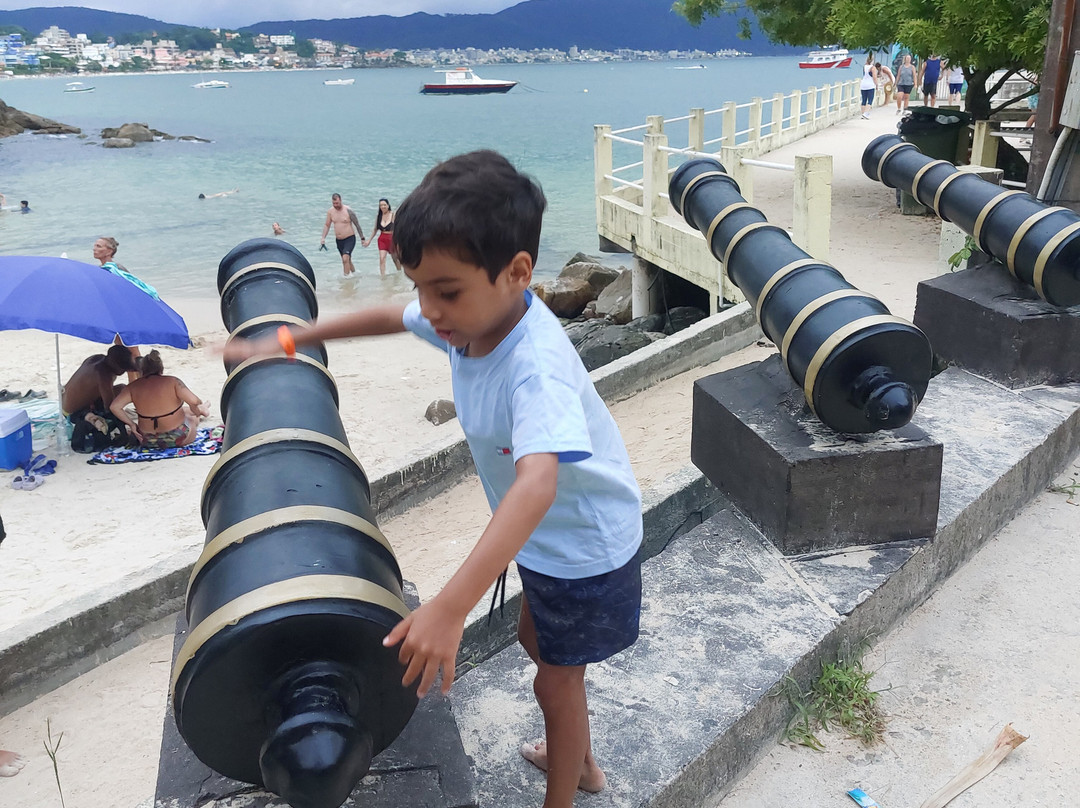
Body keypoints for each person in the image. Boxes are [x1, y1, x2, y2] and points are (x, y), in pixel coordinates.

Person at [225, 150, 643, 807]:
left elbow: (537, 484)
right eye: (420, 285)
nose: (430, 308)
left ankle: (571, 787)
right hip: (541, 540)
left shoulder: (535, 365)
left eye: (444, 291)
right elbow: (391, 316)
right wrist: (290, 339)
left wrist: (451, 606)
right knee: (541, 646)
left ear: (517, 272)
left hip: (583, 545)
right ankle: (580, 757)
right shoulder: (467, 321)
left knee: (555, 683)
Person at [109, 350, 210, 449]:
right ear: (161, 368)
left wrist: (131, 424)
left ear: (142, 370)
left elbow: (114, 407)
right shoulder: (173, 381)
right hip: (177, 437)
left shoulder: (132, 387)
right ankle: (202, 410)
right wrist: (196, 410)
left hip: (146, 439)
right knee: (191, 418)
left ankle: (202, 408)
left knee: (179, 410)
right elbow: (194, 401)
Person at [93, 236, 151, 382]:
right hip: (112, 315)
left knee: (132, 349)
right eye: (95, 246)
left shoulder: (116, 269)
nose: (94, 249)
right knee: (122, 350)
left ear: (109, 251)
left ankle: (144, 381)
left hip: (124, 314)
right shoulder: (99, 270)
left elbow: (131, 289)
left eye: (99, 246)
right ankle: (134, 384)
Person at [62, 344, 137, 451]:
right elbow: (111, 408)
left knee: (121, 388)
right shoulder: (103, 374)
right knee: (121, 392)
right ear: (116, 365)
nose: (123, 372)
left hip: (64, 403)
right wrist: (125, 432)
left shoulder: (97, 358)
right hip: (74, 413)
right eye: (123, 369)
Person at [320, 193, 365, 276]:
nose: (335, 205)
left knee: (345, 259)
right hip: (339, 240)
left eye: (337, 203)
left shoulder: (348, 210)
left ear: (340, 200)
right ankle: (355, 274)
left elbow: (357, 224)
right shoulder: (330, 211)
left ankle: (346, 279)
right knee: (347, 260)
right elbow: (327, 225)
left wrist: (362, 238)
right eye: (334, 203)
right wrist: (323, 238)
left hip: (350, 238)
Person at [363, 197, 402, 276]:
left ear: (388, 205)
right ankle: (383, 277)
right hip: (382, 239)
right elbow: (375, 229)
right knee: (382, 259)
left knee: (395, 259)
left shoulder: (393, 214)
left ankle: (399, 273)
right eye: (381, 205)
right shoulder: (379, 216)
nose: (383, 207)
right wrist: (369, 241)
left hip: (391, 239)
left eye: (384, 205)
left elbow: (399, 228)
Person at [859, 54, 877, 119]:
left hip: (863, 84)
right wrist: (876, 84)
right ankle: (866, 113)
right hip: (870, 85)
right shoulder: (873, 68)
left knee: (864, 99)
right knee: (870, 100)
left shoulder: (864, 67)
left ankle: (863, 113)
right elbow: (874, 77)